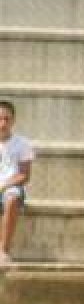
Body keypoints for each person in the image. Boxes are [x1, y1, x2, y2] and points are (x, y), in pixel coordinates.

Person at [0, 101, 35, 265]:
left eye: (7, 119)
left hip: (10, 188)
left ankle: (3, 251)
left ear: (13, 121)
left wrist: (3, 185)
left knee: (12, 197)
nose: (3, 123)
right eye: (0, 118)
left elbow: (24, 175)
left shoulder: (23, 143)